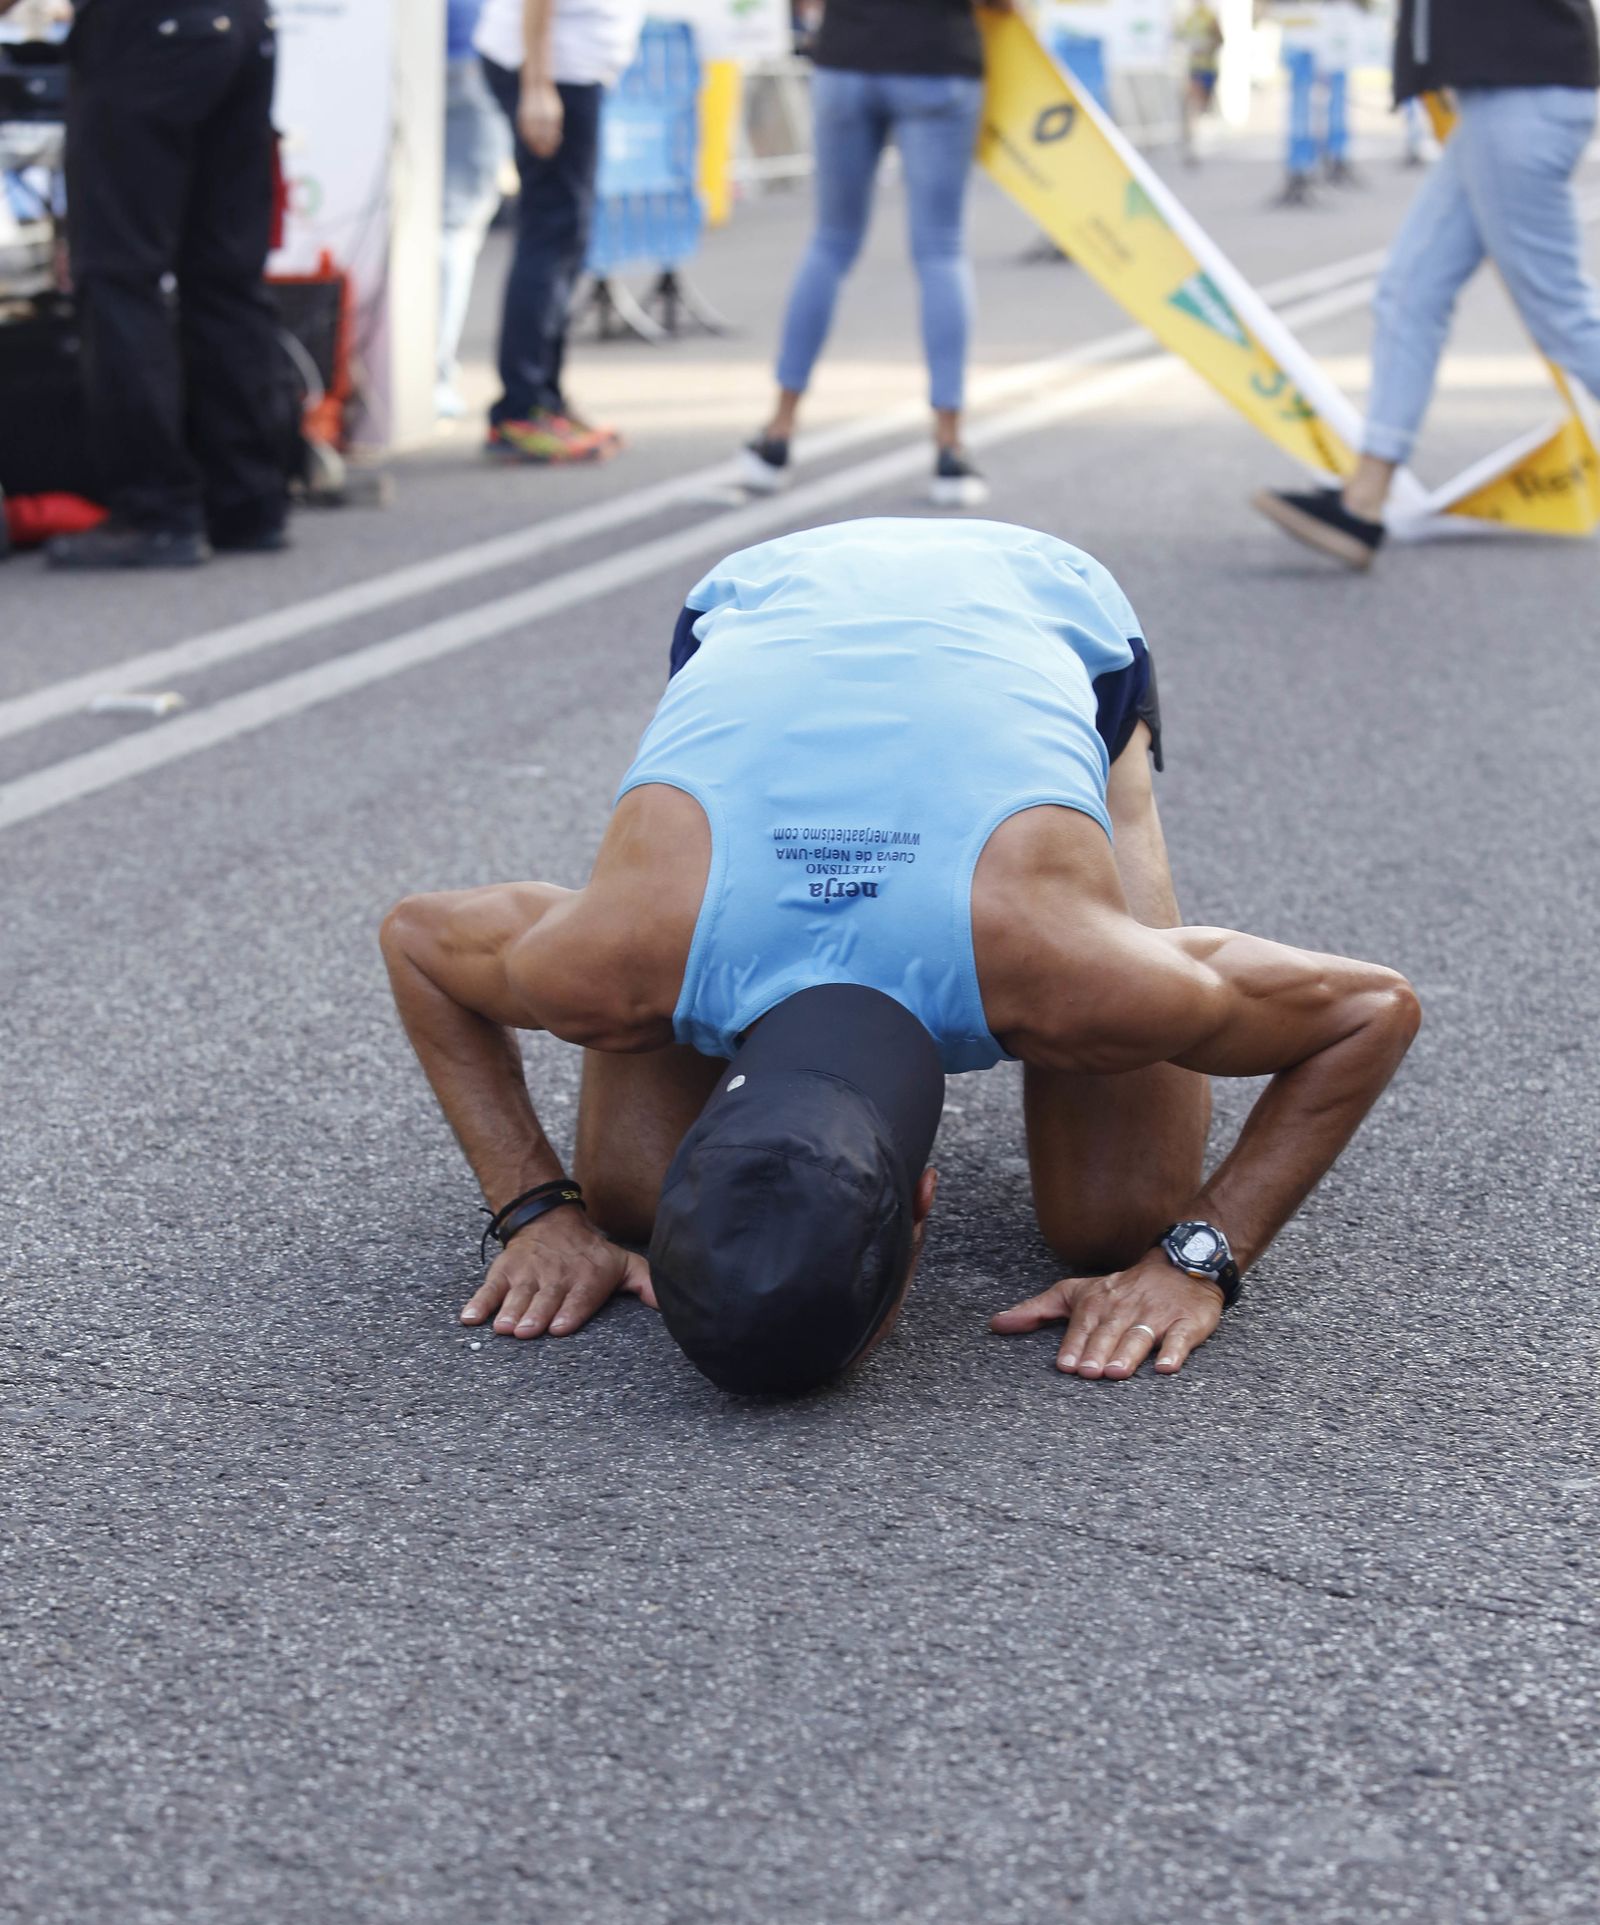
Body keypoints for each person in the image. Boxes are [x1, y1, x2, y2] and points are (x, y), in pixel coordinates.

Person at [380, 518, 1420, 1396]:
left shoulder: (1069, 974)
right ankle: (682, 959)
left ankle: (1113, 783)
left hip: (1035, 599)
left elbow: (1369, 1011)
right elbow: (418, 942)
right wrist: (539, 1213)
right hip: (770, 614)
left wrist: (1199, 1257)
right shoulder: (613, 960)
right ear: (920, 1204)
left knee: (1123, 1219)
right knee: (633, 1193)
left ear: (922, 1199)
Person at [1254, 0, 1600, 568]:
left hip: (1521, 97)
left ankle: (1364, 500)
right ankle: (1363, 503)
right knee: (1409, 291)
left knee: (1562, 316)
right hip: (1499, 98)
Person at [0, 0, 293, 566]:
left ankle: (155, 509)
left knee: (118, 279)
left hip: (148, 31)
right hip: (245, 25)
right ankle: (248, 502)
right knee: (225, 278)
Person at [736, 0, 1009, 510]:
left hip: (847, 57)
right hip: (937, 59)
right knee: (941, 249)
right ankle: (949, 446)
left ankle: (777, 432)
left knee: (830, 242)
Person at [471, 0, 639, 462]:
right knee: (552, 232)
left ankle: (544, 397)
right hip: (553, 68)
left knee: (567, 235)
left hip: (570, 65)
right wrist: (538, 84)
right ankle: (521, 409)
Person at [437, 0, 511, 420]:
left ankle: (423, 374)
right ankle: (431, 375)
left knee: (437, 229)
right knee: (452, 232)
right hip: (467, 62)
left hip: (431, 62)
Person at [1178, 1, 1222, 166]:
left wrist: (1207, 48)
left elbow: (1220, 40)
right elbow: (1181, 37)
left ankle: (1201, 141)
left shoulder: (1209, 17)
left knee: (1202, 106)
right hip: (1194, 69)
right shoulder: (1189, 18)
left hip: (1208, 68)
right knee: (1193, 105)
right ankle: (1193, 145)